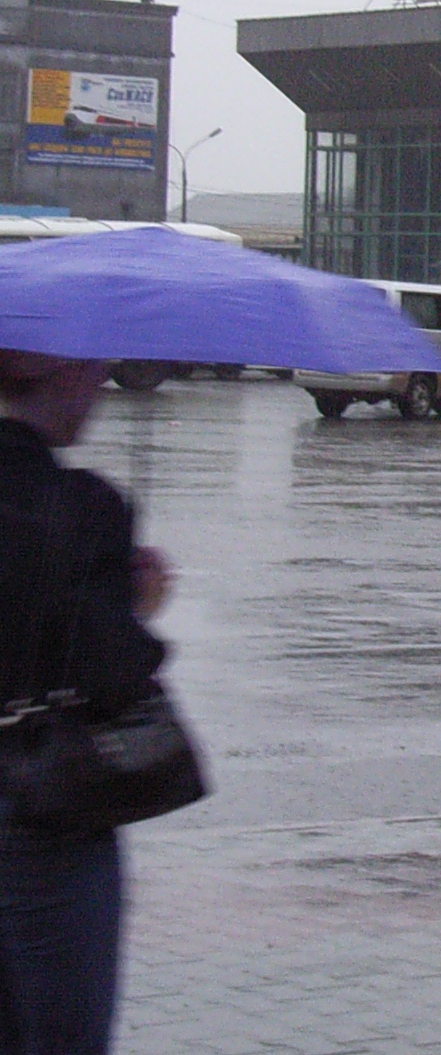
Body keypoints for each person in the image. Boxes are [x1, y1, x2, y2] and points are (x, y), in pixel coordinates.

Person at [0, 351, 173, 1053]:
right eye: (94, 370)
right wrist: (140, 606)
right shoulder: (86, 506)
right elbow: (116, 674)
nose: (101, 386)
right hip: (46, 814)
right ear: (59, 371)